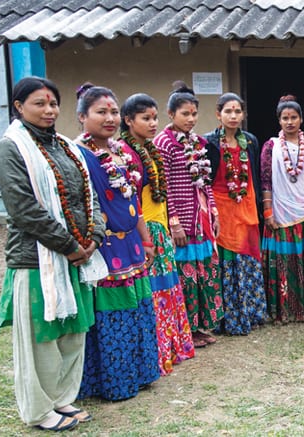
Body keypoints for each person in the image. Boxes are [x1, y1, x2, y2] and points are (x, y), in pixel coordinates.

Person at [0, 76, 105, 431]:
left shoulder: (65, 147)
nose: (48, 110)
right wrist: (71, 247)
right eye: (39, 103)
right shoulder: (11, 150)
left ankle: (61, 398)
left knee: (73, 332)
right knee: (42, 336)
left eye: (53, 103)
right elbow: (24, 210)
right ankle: (40, 410)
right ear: (19, 107)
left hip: (77, 255)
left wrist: (95, 236)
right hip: (36, 259)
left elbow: (90, 196)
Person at [73, 84, 160, 401]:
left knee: (138, 308)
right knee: (112, 316)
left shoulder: (122, 153)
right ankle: (113, 381)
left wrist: (146, 238)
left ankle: (142, 372)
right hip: (104, 247)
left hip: (133, 245)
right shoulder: (78, 155)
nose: (109, 118)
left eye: (112, 111)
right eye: (100, 112)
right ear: (83, 116)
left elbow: (132, 199)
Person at [120, 93, 195, 374]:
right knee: (152, 292)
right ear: (128, 121)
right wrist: (146, 236)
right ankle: (157, 349)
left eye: (154, 118)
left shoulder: (148, 149)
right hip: (145, 230)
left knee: (166, 287)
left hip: (159, 227)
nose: (152, 124)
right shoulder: (125, 153)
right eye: (145, 118)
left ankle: (170, 346)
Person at [153, 83, 222, 347]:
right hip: (181, 218)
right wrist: (174, 222)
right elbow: (165, 185)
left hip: (200, 215)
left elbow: (205, 182)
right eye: (185, 114)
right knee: (185, 274)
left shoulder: (198, 142)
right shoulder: (164, 144)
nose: (191, 119)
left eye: (194, 114)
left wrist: (213, 210)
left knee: (202, 272)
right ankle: (185, 329)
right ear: (171, 114)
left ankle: (199, 326)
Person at [260, 95, 304, 322]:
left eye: (294, 117)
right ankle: (285, 311)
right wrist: (268, 212)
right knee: (284, 261)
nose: (290, 122)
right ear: (279, 120)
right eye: (285, 118)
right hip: (281, 211)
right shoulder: (270, 146)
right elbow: (266, 181)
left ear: (301, 119)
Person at [204, 93, 267, 335]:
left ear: (243, 114)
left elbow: (255, 176)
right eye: (228, 111)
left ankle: (251, 312)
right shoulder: (208, 142)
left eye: (237, 111)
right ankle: (226, 317)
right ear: (218, 114)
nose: (233, 116)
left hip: (247, 207)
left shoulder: (250, 141)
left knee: (248, 260)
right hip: (221, 209)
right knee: (225, 263)